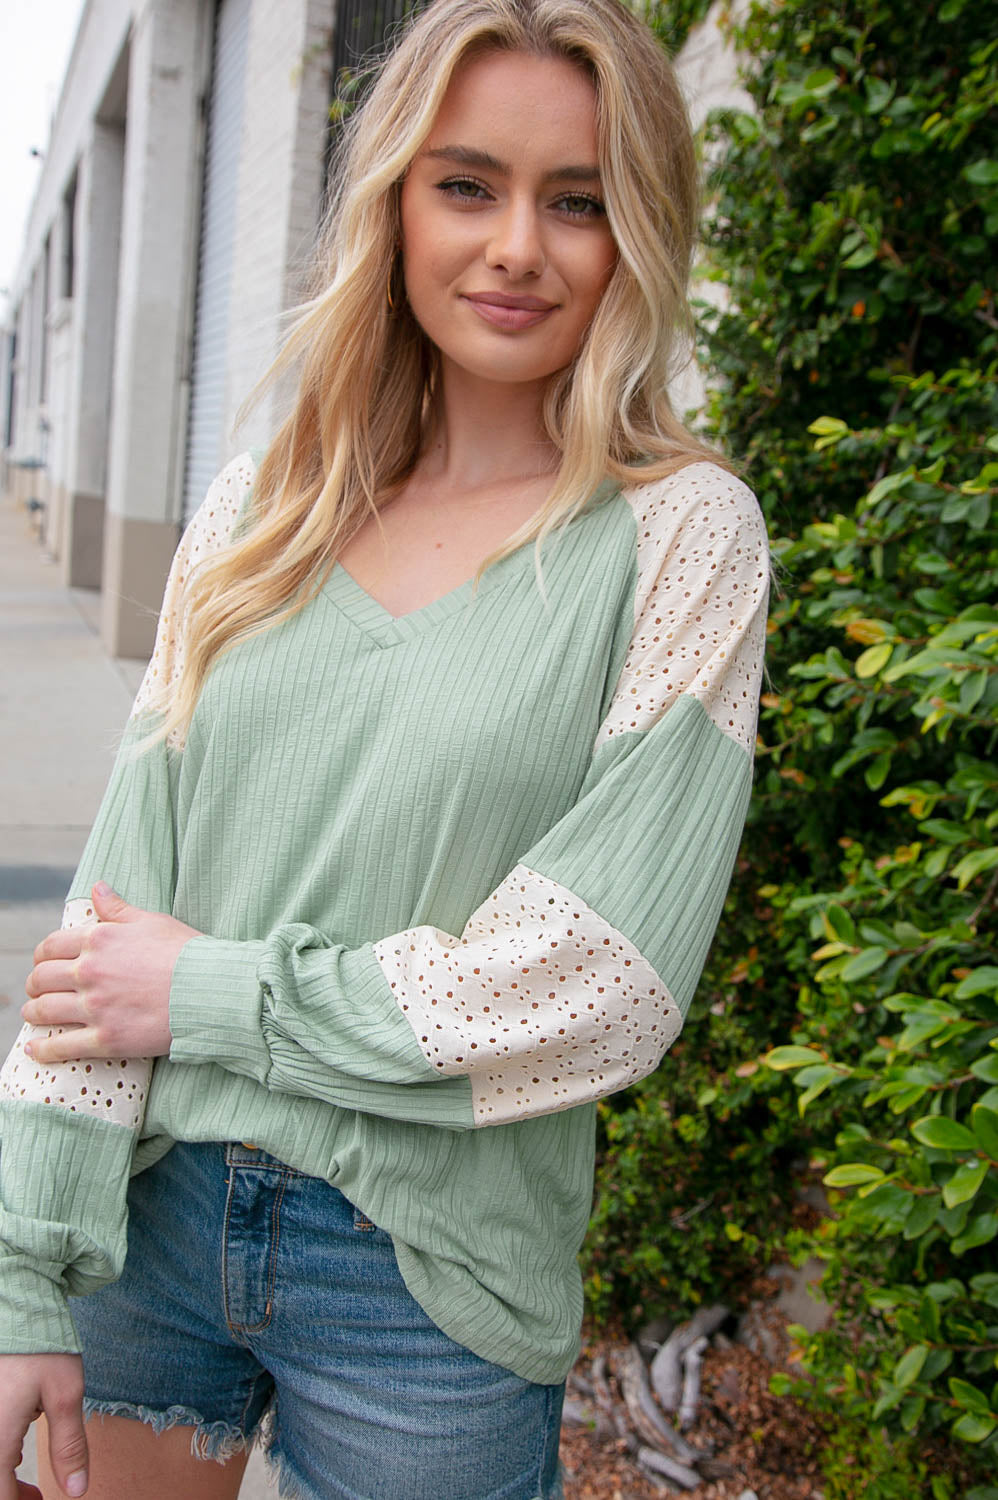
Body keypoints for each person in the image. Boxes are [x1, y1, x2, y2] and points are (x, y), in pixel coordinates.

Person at [0, 0, 769, 1495]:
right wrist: (26, 1260)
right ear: (396, 202)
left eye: (578, 201)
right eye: (467, 184)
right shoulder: (260, 510)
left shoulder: (680, 538)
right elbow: (109, 919)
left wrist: (210, 991)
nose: (516, 247)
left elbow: (599, 985)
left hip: (428, 1280)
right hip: (150, 1215)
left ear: (638, 232)